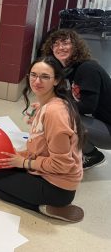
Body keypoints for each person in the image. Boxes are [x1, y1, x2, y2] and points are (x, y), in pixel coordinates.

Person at [0, 57, 85, 222]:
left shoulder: (54, 113)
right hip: (46, 172)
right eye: (33, 75)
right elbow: (40, 146)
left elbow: (62, 165)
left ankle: (43, 208)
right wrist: (17, 154)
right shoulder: (47, 104)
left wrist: (22, 163)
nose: (37, 81)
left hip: (57, 188)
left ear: (56, 80)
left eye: (45, 77)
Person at [42, 29, 111, 169]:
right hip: (101, 122)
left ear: (76, 47)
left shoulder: (87, 69)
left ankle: (92, 155)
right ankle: (76, 151)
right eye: (56, 44)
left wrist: (54, 106)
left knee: (62, 117)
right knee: (57, 112)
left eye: (66, 43)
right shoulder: (67, 71)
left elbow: (87, 106)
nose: (60, 47)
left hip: (108, 127)